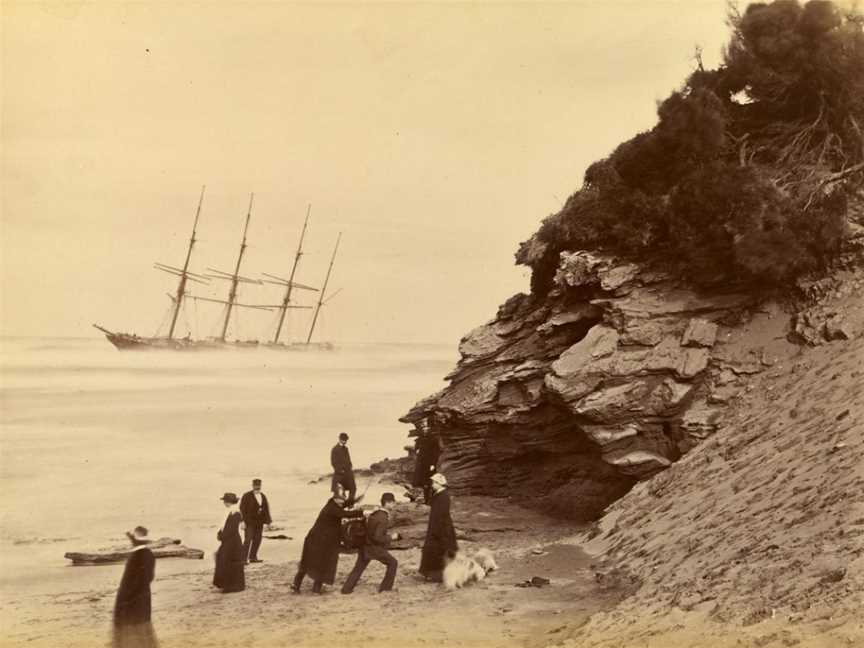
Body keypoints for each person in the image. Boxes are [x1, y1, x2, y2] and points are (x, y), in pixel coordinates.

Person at [291, 488, 364, 594]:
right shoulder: (333, 509)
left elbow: (343, 505)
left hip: (320, 540)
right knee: (317, 563)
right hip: (318, 540)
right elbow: (344, 513)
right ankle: (298, 585)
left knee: (313, 563)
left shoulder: (332, 504)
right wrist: (361, 512)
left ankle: (308, 587)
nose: (344, 500)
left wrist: (355, 501)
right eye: (342, 498)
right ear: (336, 498)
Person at [341, 492, 400, 594]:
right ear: (387, 503)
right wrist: (392, 537)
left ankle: (346, 589)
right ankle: (385, 589)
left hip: (364, 545)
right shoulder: (383, 517)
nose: (394, 505)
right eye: (393, 503)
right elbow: (378, 537)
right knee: (393, 563)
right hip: (374, 548)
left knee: (358, 568)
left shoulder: (375, 513)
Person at [113, 526, 158, 648]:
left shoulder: (139, 555)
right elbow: (147, 577)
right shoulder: (145, 553)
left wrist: (126, 598)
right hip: (140, 599)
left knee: (133, 633)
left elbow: (136, 581)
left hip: (132, 601)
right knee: (141, 631)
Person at [419, 472, 458, 583]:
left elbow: (442, 515)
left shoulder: (444, 496)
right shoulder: (439, 494)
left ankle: (439, 575)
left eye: (433, 482)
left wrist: (437, 530)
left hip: (441, 528)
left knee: (440, 550)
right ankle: (433, 574)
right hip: (437, 526)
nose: (432, 484)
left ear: (439, 483)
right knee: (433, 550)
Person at [213, 492, 245, 593]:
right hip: (231, 540)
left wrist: (221, 536)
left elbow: (231, 529)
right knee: (226, 561)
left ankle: (231, 586)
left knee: (227, 562)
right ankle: (228, 585)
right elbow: (226, 527)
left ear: (229, 502)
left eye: (225, 501)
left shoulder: (235, 513)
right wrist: (220, 534)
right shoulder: (232, 512)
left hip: (232, 541)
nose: (224, 503)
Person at [240, 478, 272, 564]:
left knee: (258, 539)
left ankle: (253, 557)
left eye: (258, 485)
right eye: (255, 485)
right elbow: (242, 509)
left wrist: (268, 522)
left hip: (259, 522)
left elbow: (266, 509)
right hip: (249, 522)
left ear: (260, 486)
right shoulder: (246, 495)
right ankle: (243, 559)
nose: (257, 487)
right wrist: (242, 521)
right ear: (252, 485)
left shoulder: (263, 496)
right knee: (248, 540)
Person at [412, 421, 443, 503]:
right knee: (424, 483)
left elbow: (436, 452)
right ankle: (427, 500)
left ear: (429, 429)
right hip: (421, 464)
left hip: (430, 464)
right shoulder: (420, 439)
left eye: (427, 428)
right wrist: (417, 450)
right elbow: (416, 449)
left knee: (431, 482)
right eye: (423, 428)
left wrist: (433, 463)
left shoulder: (433, 440)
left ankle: (432, 500)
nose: (425, 429)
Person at [330, 432, 356, 504]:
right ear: (340, 439)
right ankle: (337, 505)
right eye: (343, 440)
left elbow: (348, 459)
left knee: (353, 488)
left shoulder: (346, 448)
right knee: (339, 492)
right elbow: (333, 462)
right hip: (340, 475)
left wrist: (350, 465)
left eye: (346, 440)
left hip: (348, 473)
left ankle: (350, 503)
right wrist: (340, 470)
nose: (344, 441)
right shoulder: (335, 449)